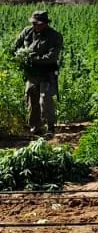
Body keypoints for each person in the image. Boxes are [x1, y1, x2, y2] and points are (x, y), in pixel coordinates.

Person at [11, 10, 63, 138]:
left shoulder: (54, 36)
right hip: (31, 74)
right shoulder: (27, 32)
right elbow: (14, 47)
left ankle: (50, 127)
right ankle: (35, 128)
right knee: (31, 100)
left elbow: (52, 56)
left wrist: (33, 58)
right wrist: (19, 56)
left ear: (45, 24)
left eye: (38, 24)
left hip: (47, 73)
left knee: (45, 100)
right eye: (34, 23)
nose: (36, 26)